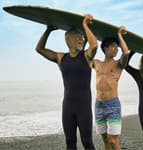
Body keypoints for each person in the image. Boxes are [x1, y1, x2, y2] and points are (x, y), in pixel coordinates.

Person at [36, 14, 98, 150]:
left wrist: (85, 25)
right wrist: (48, 30)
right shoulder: (60, 57)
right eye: (78, 36)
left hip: (84, 108)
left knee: (87, 142)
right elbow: (39, 49)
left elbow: (94, 45)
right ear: (68, 39)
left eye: (82, 37)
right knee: (70, 142)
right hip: (68, 107)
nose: (81, 39)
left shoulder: (86, 57)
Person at [91, 26, 129, 150]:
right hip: (98, 104)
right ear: (105, 49)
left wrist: (120, 35)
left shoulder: (118, 64)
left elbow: (126, 52)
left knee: (113, 140)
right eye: (113, 46)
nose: (116, 49)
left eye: (116, 46)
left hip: (112, 104)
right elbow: (86, 56)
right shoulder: (96, 63)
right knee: (106, 140)